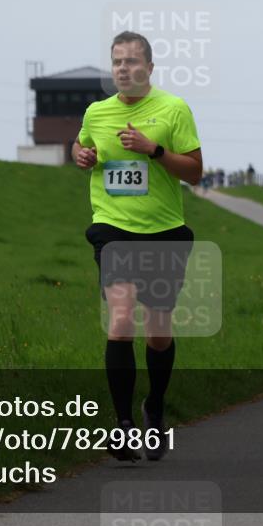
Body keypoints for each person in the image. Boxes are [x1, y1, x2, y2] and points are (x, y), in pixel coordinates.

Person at [73, 31, 202, 461]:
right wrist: (81, 155)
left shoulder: (173, 109)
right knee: (121, 319)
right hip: (113, 228)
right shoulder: (97, 112)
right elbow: (83, 144)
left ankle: (155, 406)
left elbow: (196, 172)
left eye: (131, 61)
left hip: (165, 231)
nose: (123, 69)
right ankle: (124, 425)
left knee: (159, 334)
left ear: (149, 67)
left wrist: (154, 150)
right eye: (116, 62)